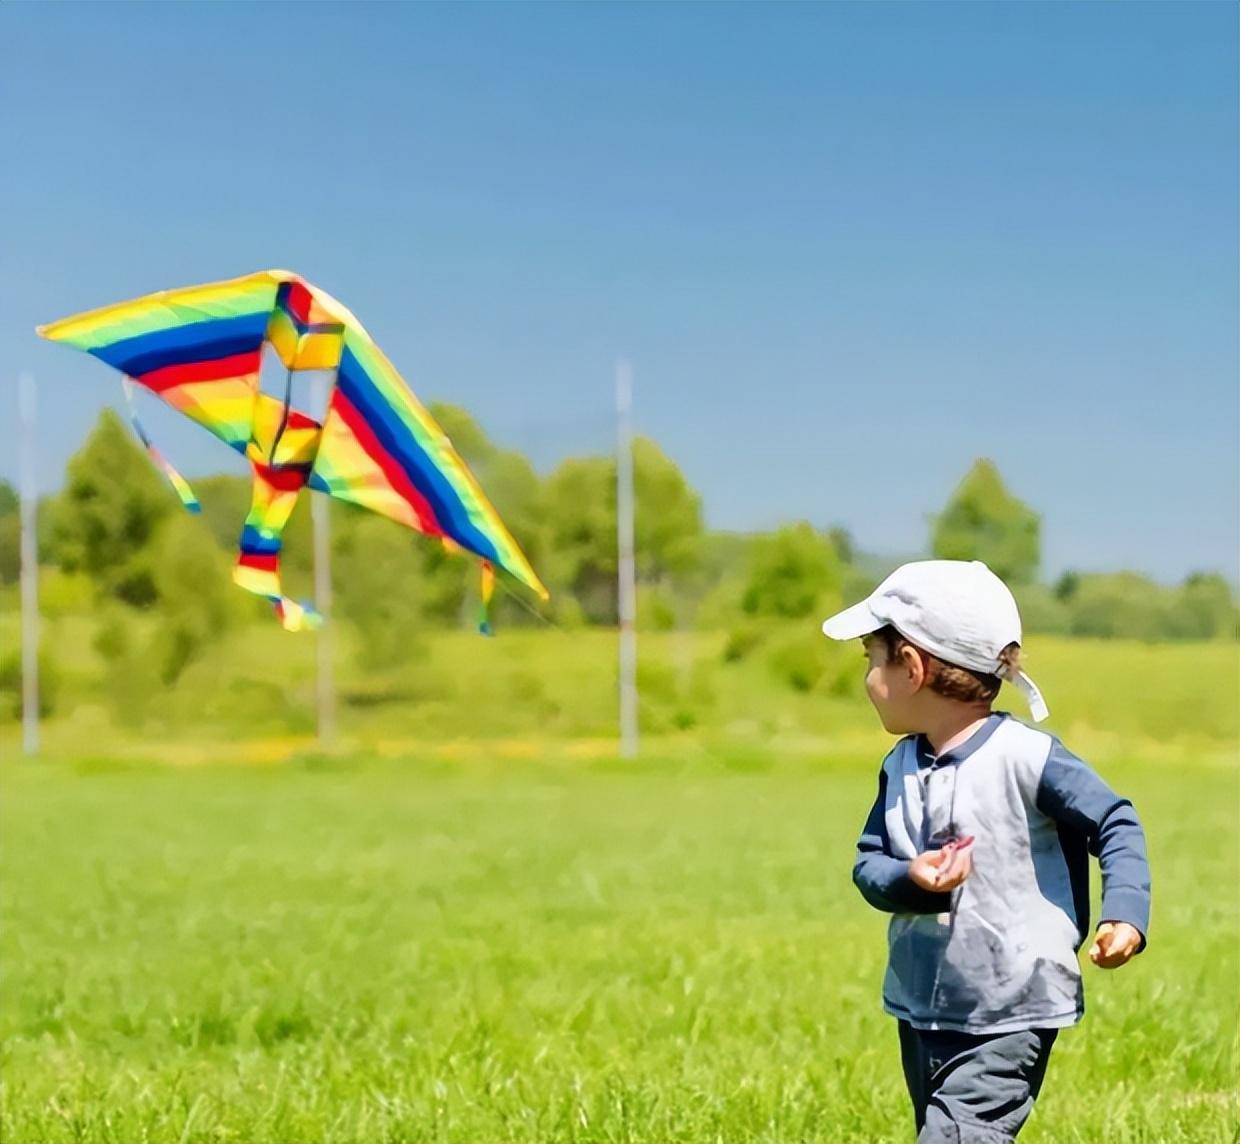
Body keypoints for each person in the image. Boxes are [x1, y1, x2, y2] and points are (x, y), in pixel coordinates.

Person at [822, 560, 1151, 1143]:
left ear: (913, 666)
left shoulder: (1028, 758)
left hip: (1013, 1006)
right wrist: (911, 878)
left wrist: (1124, 912)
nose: (868, 677)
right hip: (922, 1003)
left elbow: (1114, 819)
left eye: (872, 659)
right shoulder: (899, 766)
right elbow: (868, 866)